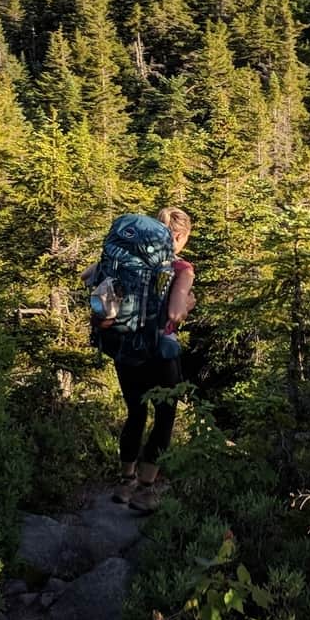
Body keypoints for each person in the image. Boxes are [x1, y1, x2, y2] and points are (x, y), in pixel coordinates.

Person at [114, 207, 193, 512]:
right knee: (163, 419)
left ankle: (125, 484)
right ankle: (146, 490)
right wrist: (188, 302)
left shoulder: (126, 259)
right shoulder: (181, 268)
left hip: (126, 350)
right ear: (177, 235)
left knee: (135, 413)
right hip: (160, 355)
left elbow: (88, 276)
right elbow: (174, 314)